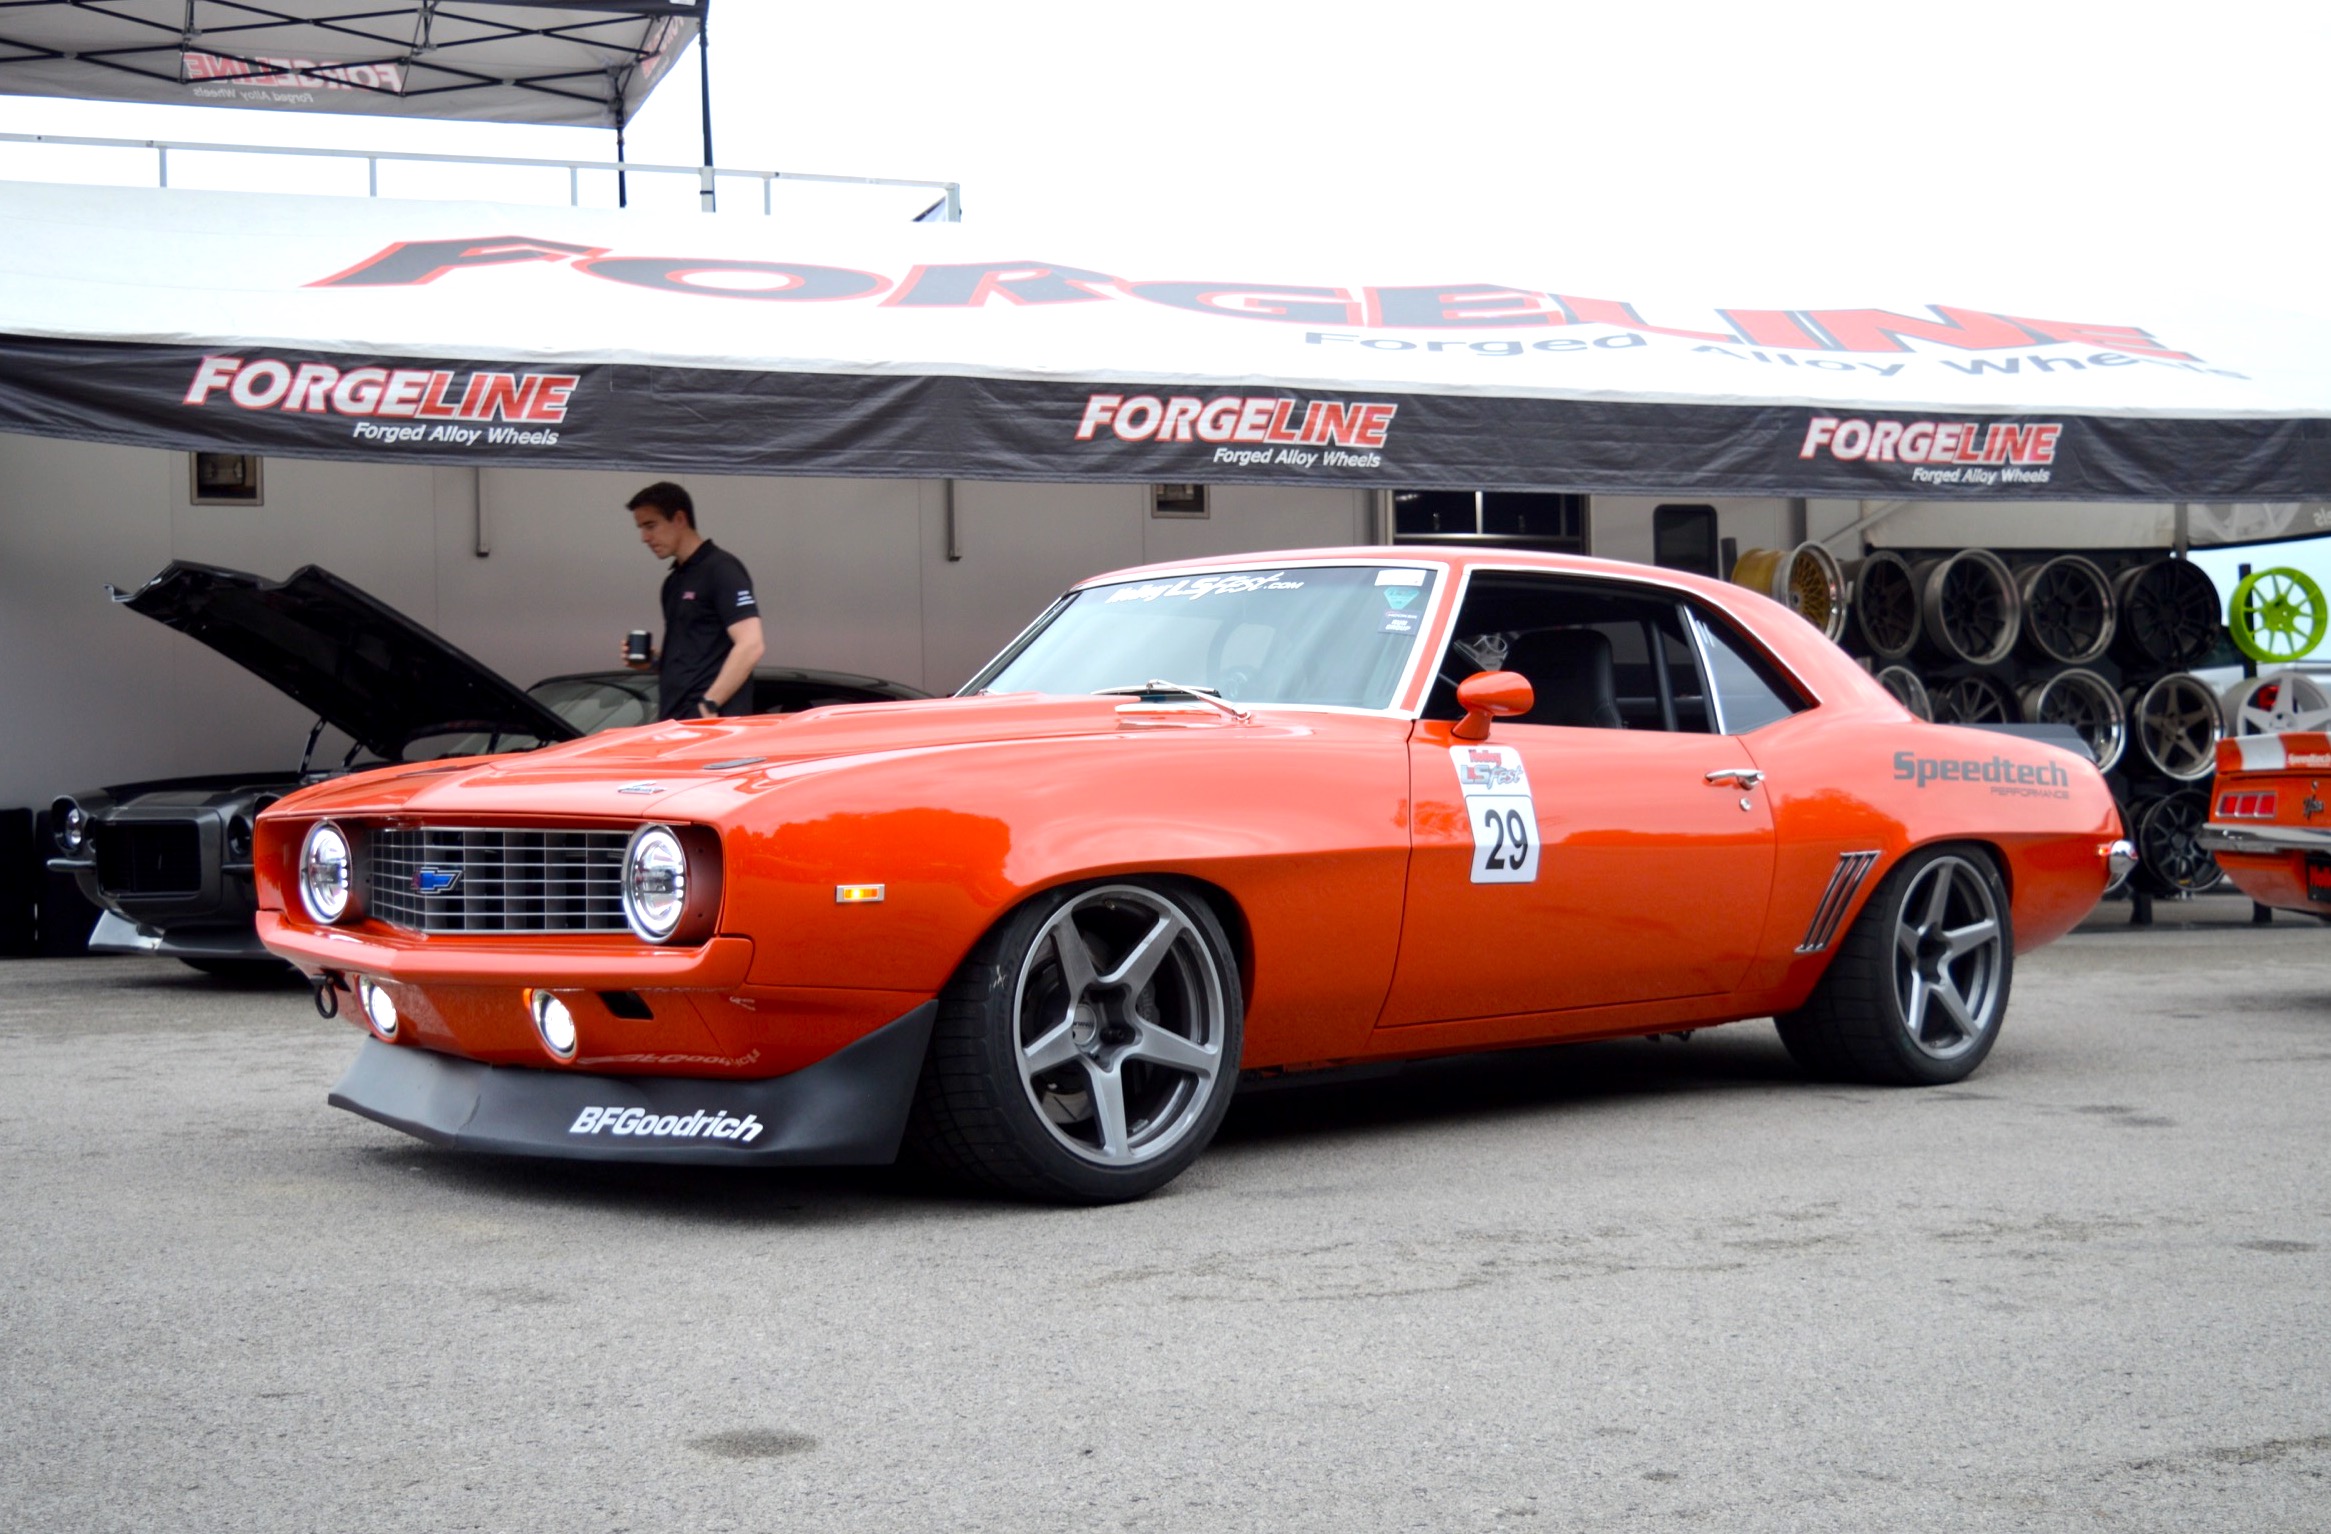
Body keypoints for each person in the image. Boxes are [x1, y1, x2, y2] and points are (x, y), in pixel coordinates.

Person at [623, 482, 766, 720]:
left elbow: (752, 645)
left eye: (651, 526)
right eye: (640, 528)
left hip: (713, 728)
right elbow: (694, 657)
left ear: (679, 519)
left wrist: (709, 704)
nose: (644, 538)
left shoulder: (721, 569)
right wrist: (652, 661)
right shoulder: (673, 581)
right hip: (676, 722)